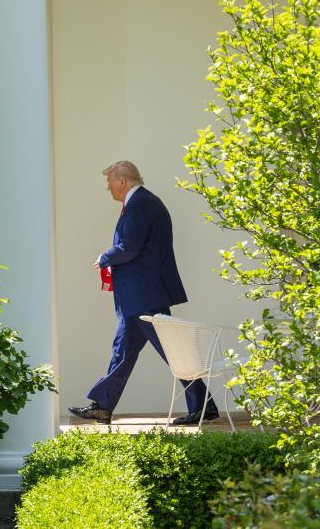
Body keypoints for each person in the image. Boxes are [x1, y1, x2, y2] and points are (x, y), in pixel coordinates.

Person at [68, 160, 218, 426]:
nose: (108, 188)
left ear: (122, 181)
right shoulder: (145, 202)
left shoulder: (141, 204)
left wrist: (105, 257)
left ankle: (202, 406)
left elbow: (129, 247)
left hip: (143, 295)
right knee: (125, 351)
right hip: (141, 294)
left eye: (110, 183)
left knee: (172, 351)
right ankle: (103, 407)